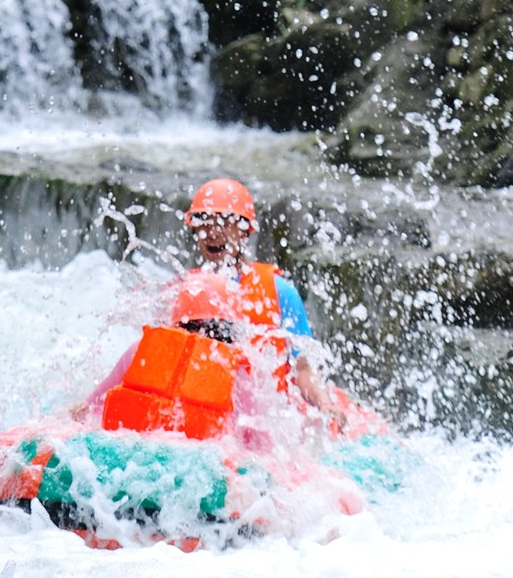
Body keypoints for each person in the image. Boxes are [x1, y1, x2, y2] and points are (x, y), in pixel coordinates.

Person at [75, 178, 345, 430]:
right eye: (203, 221)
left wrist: (325, 404)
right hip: (203, 409)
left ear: (244, 231)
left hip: (266, 415)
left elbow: (303, 368)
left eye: (224, 221)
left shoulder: (279, 291)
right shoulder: (183, 293)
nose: (212, 232)